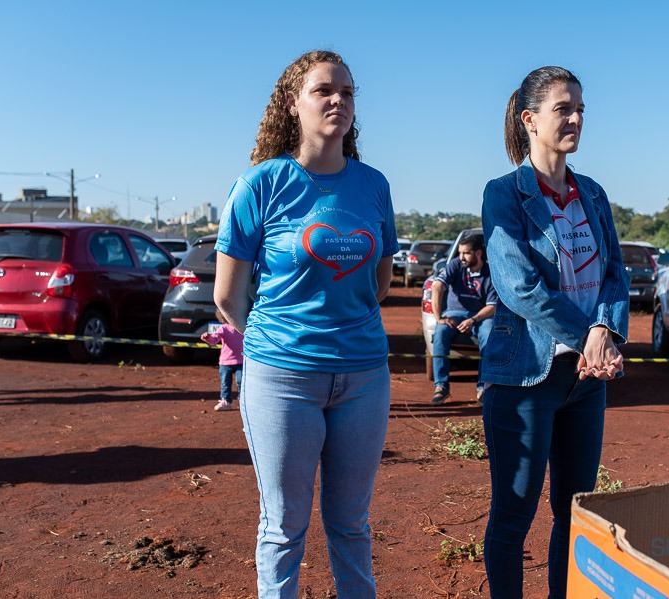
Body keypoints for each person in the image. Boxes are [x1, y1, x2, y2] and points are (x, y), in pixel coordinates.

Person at [212, 50, 397, 598]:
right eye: (323, 90)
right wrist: (280, 342)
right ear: (294, 104)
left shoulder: (374, 185)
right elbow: (227, 294)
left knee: (351, 525)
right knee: (284, 528)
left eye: (347, 91)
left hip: (364, 377)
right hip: (282, 379)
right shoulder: (261, 185)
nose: (338, 99)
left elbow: (380, 283)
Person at [479, 66, 630, 598]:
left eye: (581, 109)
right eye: (564, 108)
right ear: (529, 119)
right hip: (525, 377)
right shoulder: (505, 194)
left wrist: (606, 332)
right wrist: (589, 330)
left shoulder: (593, 194)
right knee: (513, 517)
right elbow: (518, 286)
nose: (575, 119)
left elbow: (615, 271)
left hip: (586, 379)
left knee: (576, 512)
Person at [429, 233, 497, 405]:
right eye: (460, 253)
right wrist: (439, 318)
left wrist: (473, 320)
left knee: (489, 336)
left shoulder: (491, 273)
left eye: (466, 253)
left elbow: (492, 307)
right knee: (440, 333)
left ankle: (483, 388)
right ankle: (441, 387)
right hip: (454, 314)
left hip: (481, 316)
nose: (461, 257)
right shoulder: (455, 265)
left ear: (478, 253)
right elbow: (437, 286)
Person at [200, 308, 244, 412]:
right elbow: (214, 339)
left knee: (241, 381)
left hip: (241, 361)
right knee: (225, 383)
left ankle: (243, 402)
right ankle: (225, 402)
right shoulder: (223, 328)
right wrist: (207, 337)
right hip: (225, 362)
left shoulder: (242, 328)